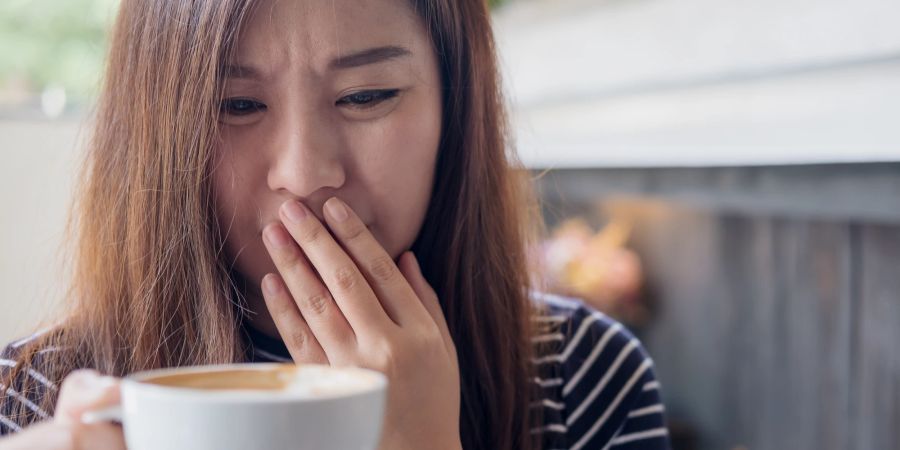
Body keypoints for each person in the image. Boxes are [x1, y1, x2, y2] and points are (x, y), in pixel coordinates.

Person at [0, 0, 671, 448]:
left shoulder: (584, 379)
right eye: (235, 104)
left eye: (366, 96)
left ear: (456, 107)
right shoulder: (31, 394)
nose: (303, 171)